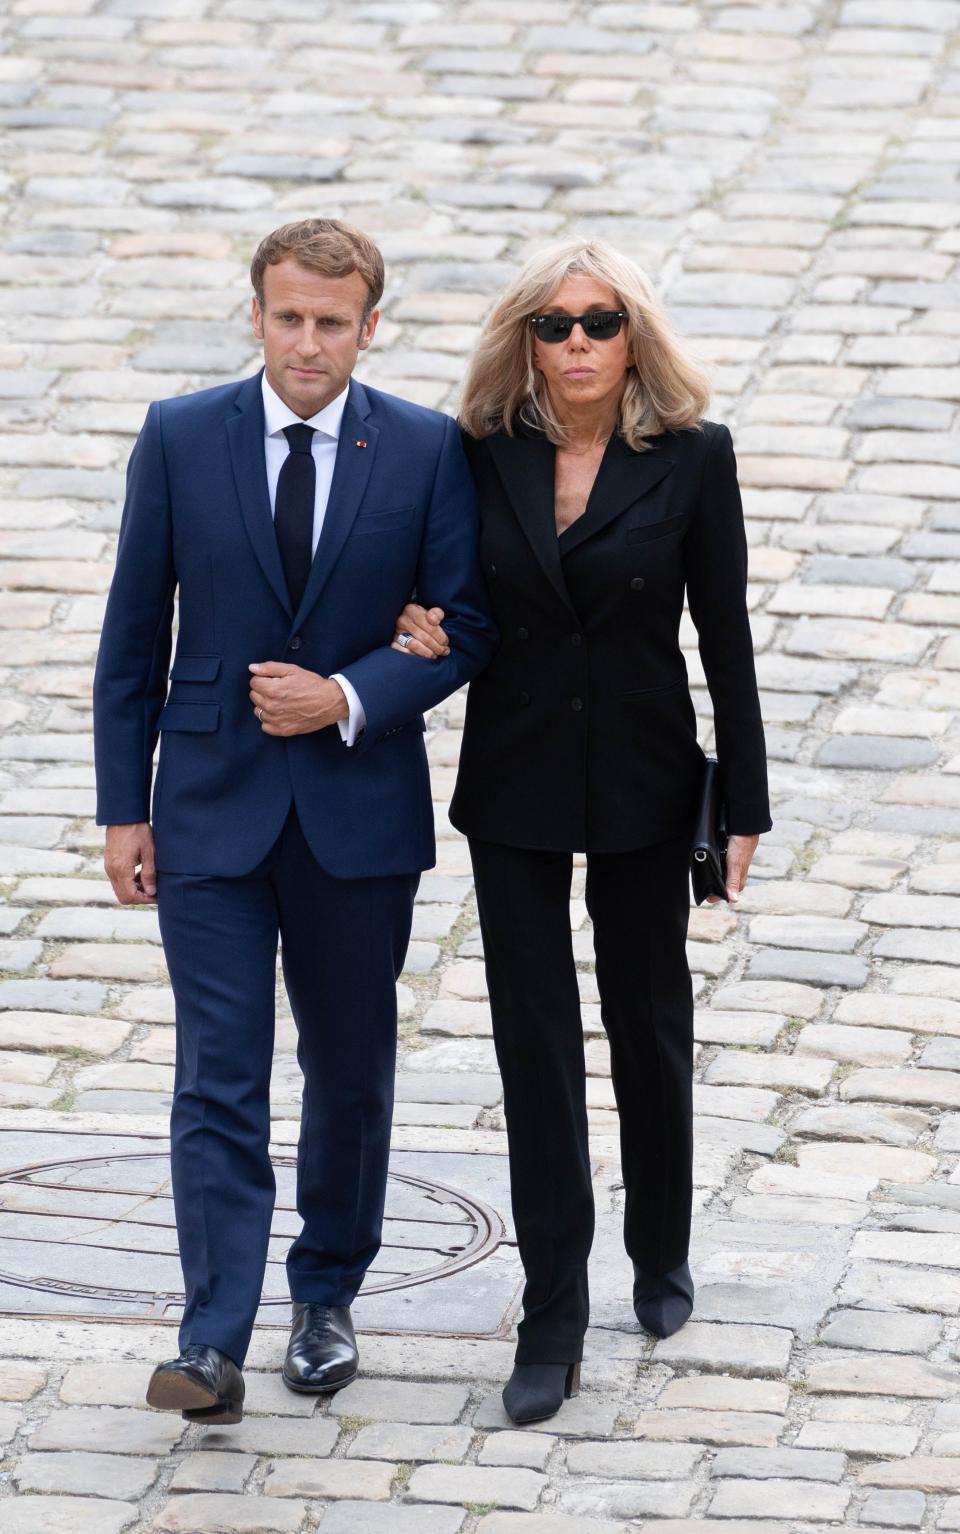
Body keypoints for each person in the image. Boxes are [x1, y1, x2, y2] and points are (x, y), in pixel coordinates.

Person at [93, 217, 496, 1424]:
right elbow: (132, 636)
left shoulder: (425, 450)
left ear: (370, 327)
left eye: (332, 322)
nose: (307, 342)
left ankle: (326, 1296)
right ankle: (209, 1336)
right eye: (288, 318)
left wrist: (351, 693)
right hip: (207, 807)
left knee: (350, 1067)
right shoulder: (179, 436)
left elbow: (464, 626)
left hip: (356, 814)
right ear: (258, 315)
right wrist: (124, 807)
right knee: (216, 1073)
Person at [393, 239, 771, 1425]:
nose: (577, 346)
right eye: (554, 326)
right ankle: (551, 1309)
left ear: (634, 335)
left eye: (600, 323)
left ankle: (661, 1244)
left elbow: (727, 637)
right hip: (514, 779)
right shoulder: (479, 455)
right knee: (534, 1042)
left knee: (647, 1017)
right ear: (525, 339)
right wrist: (416, 633)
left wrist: (746, 801)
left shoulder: (695, 460)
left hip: (650, 781)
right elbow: (450, 599)